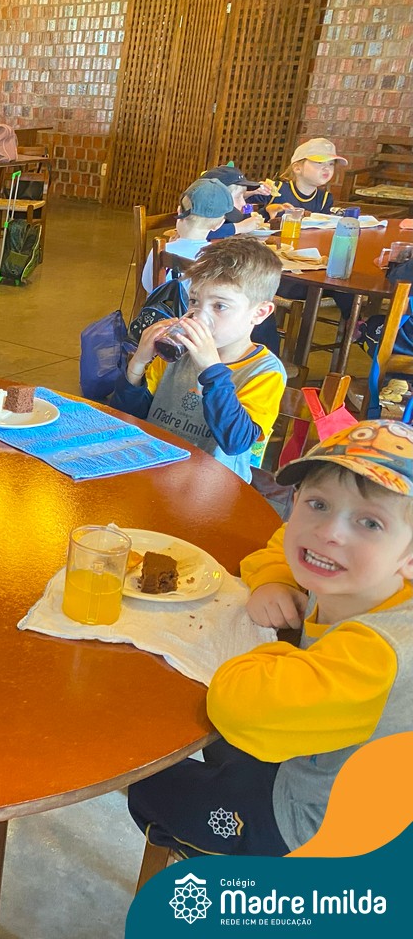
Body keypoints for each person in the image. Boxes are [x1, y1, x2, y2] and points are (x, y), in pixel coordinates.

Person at [128, 419, 413, 857]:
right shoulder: (360, 571)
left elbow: (235, 705)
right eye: (318, 504)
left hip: (315, 830)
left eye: (370, 523)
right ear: (295, 501)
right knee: (218, 745)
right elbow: (285, 539)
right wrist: (275, 579)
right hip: (312, 751)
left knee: (148, 785)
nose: (330, 532)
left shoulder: (377, 656)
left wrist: (275, 653)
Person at [112, 236, 286, 482]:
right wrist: (138, 362)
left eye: (220, 306)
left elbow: (235, 442)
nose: (199, 317)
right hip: (153, 470)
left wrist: (210, 368)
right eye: (194, 301)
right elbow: (128, 416)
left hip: (214, 487)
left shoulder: (265, 372)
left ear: (259, 313)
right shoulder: (177, 353)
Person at [138, 178, 233, 294]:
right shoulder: (216, 257)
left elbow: (148, 285)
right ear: (218, 225)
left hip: (161, 306)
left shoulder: (161, 250)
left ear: (179, 211)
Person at [267, 137, 345, 215]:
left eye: (331, 164)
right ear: (297, 168)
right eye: (319, 162)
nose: (327, 168)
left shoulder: (325, 199)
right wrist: (269, 209)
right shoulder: (274, 189)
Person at [202, 163, 273, 239]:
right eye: (238, 196)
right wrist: (239, 227)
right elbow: (203, 231)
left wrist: (267, 212)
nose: (244, 203)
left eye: (243, 196)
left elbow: (242, 219)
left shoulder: (229, 214)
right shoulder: (201, 216)